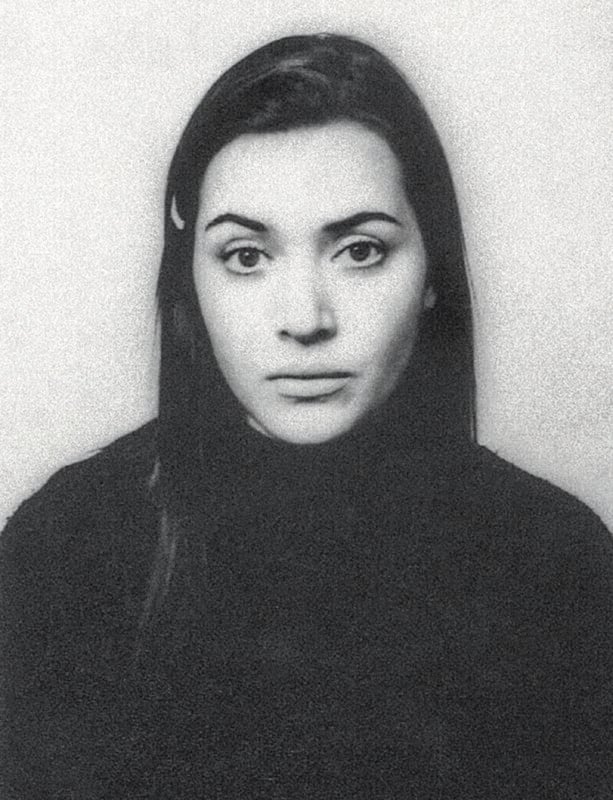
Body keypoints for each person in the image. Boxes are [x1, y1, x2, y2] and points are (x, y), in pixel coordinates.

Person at [1, 32, 612, 799]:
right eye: (247, 257)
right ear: (190, 278)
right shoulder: (66, 551)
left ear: (431, 272)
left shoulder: (558, 565)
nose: (304, 318)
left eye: (358, 250)